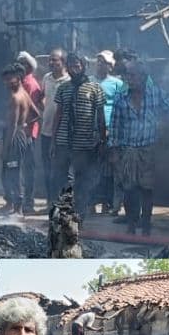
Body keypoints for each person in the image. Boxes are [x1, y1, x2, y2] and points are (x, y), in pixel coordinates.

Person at [107, 60, 169, 236]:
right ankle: (131, 224)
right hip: (128, 150)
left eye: (133, 75)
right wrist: (114, 152)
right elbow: (115, 128)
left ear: (143, 77)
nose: (129, 79)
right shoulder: (120, 99)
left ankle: (146, 224)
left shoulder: (155, 94)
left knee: (147, 189)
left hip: (148, 149)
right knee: (130, 190)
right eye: (128, 76)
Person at [51, 53, 106, 221]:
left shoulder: (95, 88)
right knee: (61, 178)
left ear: (84, 66)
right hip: (63, 141)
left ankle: (79, 214)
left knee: (82, 180)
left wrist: (103, 140)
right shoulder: (63, 88)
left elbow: (100, 117)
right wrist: (53, 140)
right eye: (71, 65)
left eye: (77, 65)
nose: (74, 68)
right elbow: (58, 115)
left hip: (85, 144)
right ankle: (62, 215)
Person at [0, 64, 38, 215]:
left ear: (18, 78)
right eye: (5, 80)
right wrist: (26, 125)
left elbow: (13, 126)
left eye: (10, 79)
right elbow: (36, 114)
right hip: (21, 134)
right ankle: (15, 206)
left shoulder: (16, 98)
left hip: (15, 137)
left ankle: (18, 208)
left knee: (13, 172)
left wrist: (5, 148)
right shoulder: (24, 94)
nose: (7, 82)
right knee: (13, 170)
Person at [92, 51, 124, 216]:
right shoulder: (89, 82)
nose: (99, 64)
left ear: (110, 66)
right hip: (92, 132)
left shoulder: (117, 84)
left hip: (111, 131)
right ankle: (91, 203)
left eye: (103, 62)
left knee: (111, 170)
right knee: (92, 169)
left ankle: (109, 204)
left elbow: (121, 107)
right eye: (98, 61)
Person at [39, 49, 69, 207]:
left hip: (62, 134)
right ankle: (50, 202)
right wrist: (43, 111)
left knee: (61, 170)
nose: (51, 63)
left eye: (54, 60)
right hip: (46, 131)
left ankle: (61, 203)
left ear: (63, 62)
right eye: (50, 60)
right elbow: (42, 97)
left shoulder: (69, 81)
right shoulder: (46, 78)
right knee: (47, 169)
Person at [16, 52, 44, 215]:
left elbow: (33, 111)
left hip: (27, 132)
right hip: (19, 131)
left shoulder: (31, 84)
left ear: (28, 66)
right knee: (19, 167)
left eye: (22, 64)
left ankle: (28, 202)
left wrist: (24, 125)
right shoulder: (19, 82)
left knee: (27, 168)